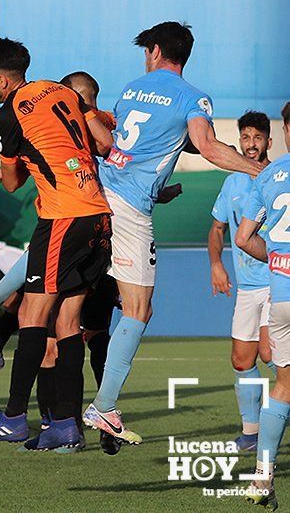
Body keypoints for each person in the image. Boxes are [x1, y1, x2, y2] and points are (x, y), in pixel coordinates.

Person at [83, 22, 264, 446]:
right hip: (129, 208)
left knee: (66, 298)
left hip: (97, 191)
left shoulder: (130, 89)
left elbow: (129, 144)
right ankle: (104, 405)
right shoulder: (192, 96)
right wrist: (260, 168)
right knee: (138, 309)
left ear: (157, 50)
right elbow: (208, 147)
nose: (145, 56)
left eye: (146, 49)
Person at [0, 37, 114, 451]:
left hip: (63, 216)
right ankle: (64, 423)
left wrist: (7, 170)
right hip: (99, 216)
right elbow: (99, 144)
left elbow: (12, 184)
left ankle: (14, 418)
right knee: (67, 322)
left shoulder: (7, 114)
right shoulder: (60, 90)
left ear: (3, 79)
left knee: (31, 311)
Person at [209, 111, 274, 453]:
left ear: (269, 141)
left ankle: (277, 414)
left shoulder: (279, 178)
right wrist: (217, 263)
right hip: (247, 287)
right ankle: (251, 434)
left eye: (258, 138)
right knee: (241, 360)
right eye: (246, 138)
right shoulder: (232, 182)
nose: (251, 144)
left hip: (277, 282)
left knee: (269, 353)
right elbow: (217, 229)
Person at [237, 102, 290, 510]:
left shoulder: (269, 176)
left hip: (282, 295)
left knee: (283, 386)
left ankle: (262, 476)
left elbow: (242, 238)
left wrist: (274, 256)